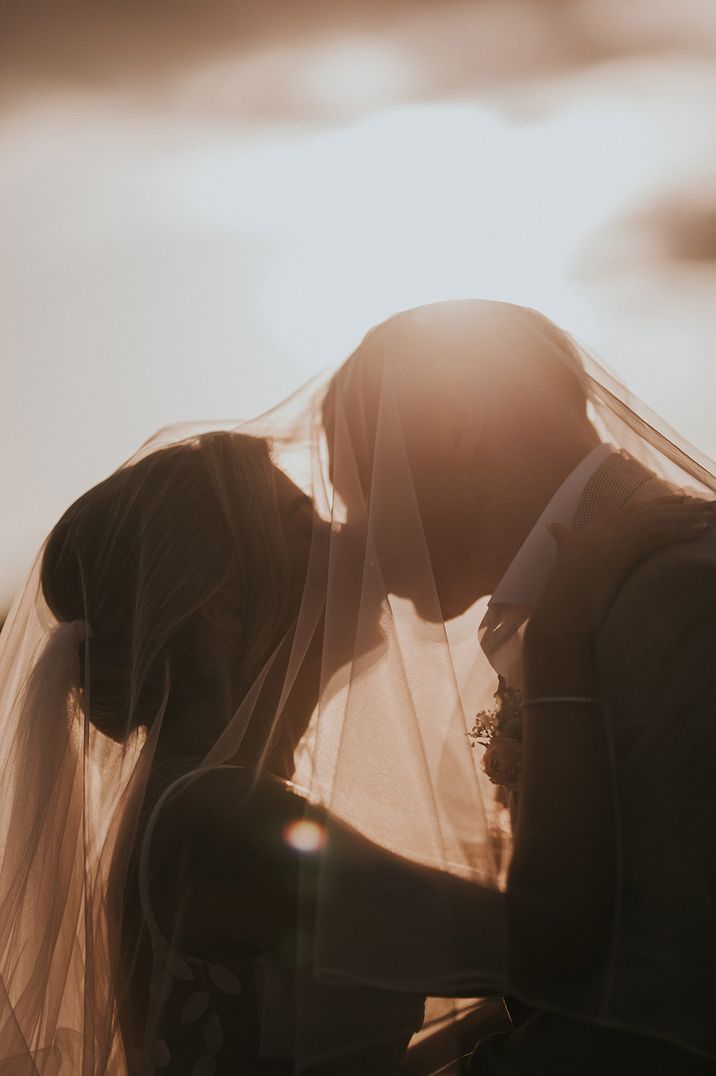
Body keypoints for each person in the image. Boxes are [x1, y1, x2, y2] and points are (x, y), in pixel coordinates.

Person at [321, 298, 716, 1072]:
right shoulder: (586, 602)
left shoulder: (679, 598)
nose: (360, 532)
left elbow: (673, 1013)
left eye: (363, 484)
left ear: (458, 424)